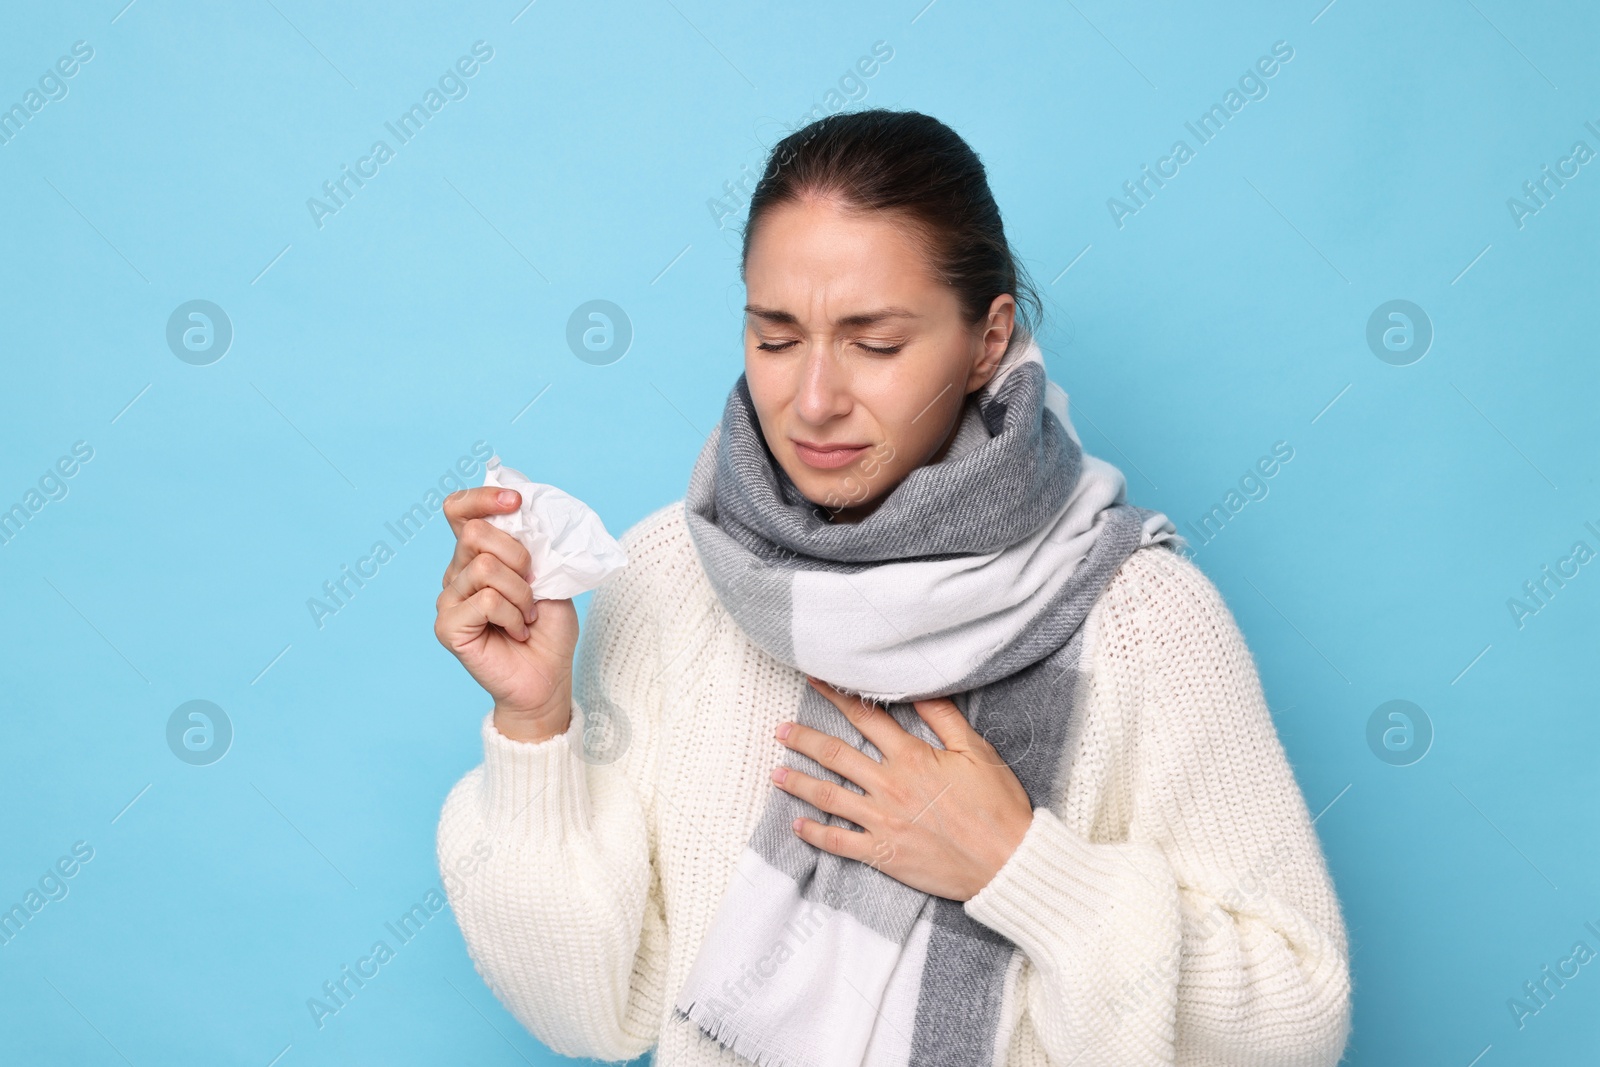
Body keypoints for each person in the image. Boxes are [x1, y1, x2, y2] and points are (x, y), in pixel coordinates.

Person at [433, 109, 1351, 1067]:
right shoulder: (675, 572)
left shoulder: (1138, 617)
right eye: (778, 339)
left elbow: (1297, 1021)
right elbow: (596, 1012)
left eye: (874, 344)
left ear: (987, 339)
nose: (816, 399)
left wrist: (1019, 867)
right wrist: (535, 726)